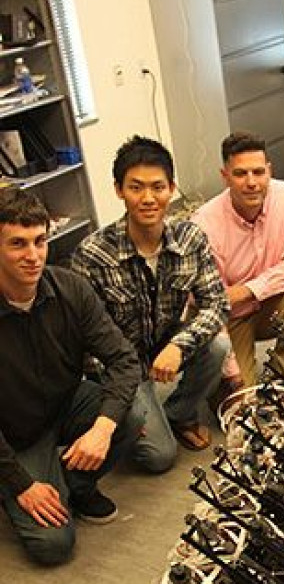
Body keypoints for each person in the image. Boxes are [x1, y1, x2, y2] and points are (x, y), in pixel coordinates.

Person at [0, 187, 141, 565]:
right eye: (17, 244)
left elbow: (125, 361)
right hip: (13, 438)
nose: (33, 256)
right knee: (54, 546)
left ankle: (75, 484)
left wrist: (102, 428)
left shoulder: (70, 288)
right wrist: (22, 485)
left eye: (39, 241)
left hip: (66, 404)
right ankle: (22, 484)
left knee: (131, 412)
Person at [73, 136, 229, 470]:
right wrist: (118, 399)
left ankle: (179, 412)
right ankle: (139, 419)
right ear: (119, 190)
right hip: (119, 365)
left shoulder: (191, 238)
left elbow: (217, 303)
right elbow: (85, 343)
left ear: (171, 188)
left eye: (157, 187)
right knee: (159, 457)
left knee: (217, 346)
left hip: (165, 345)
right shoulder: (92, 254)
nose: (148, 198)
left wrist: (178, 346)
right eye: (136, 188)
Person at [193, 132, 284, 388]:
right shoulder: (204, 224)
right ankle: (234, 383)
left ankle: (282, 380)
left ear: (269, 171)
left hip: (267, 305)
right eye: (240, 174)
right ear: (225, 177)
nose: (251, 182)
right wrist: (233, 373)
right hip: (225, 320)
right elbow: (211, 304)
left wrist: (246, 291)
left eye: (258, 172)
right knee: (239, 401)